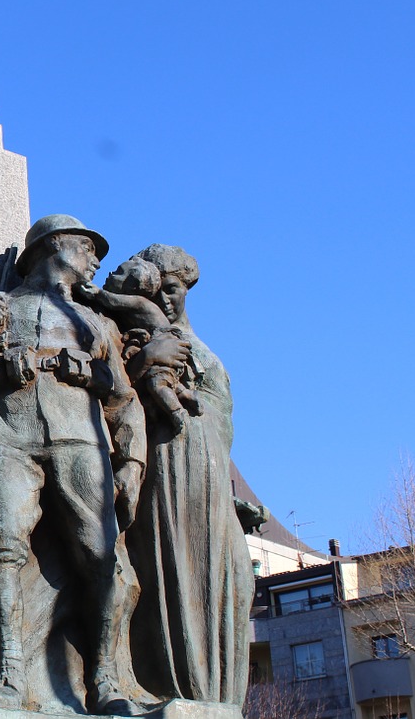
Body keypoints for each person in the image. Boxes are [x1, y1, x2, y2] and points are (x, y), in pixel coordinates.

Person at [0, 214, 150, 714]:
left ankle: (107, 680)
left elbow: (125, 399)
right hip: (6, 434)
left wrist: (131, 460)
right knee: (2, 544)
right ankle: (9, 675)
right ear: (53, 246)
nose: (95, 260)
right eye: (88, 248)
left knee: (101, 554)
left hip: (80, 439)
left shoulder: (97, 322)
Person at [123, 244, 254, 706]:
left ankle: (219, 702)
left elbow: (221, 425)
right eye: (157, 290)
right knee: (178, 571)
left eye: (173, 289)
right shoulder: (138, 335)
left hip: (212, 477)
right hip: (168, 463)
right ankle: (181, 692)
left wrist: (233, 495)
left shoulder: (204, 351)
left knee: (236, 580)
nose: (165, 299)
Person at [75, 255, 203, 433]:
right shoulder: (121, 315)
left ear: (131, 286)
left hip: (165, 341)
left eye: (119, 273)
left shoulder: (138, 302)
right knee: (164, 378)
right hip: (160, 344)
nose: (111, 272)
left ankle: (177, 412)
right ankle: (185, 394)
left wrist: (96, 293)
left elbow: (111, 300)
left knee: (158, 384)